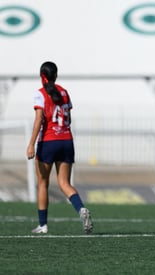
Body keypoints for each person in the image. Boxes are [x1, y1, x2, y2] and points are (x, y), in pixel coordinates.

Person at [26, 61, 93, 234]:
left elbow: (39, 120)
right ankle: (81, 209)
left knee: (42, 183)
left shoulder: (40, 94)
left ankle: (43, 225)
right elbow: (68, 118)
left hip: (48, 142)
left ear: (43, 77)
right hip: (66, 141)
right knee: (64, 183)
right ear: (56, 76)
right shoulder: (64, 92)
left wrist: (31, 144)